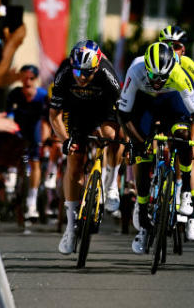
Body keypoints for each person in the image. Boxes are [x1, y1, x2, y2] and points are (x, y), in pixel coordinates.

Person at [118, 41, 194, 254]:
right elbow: (123, 115)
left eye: (162, 77)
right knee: (142, 154)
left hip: (171, 101)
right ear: (147, 69)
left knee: (183, 136)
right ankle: (141, 210)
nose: (158, 81)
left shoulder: (178, 74)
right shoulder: (136, 70)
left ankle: (186, 189)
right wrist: (140, 143)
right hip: (144, 101)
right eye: (154, 76)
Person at [48, 40, 123, 255]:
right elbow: (54, 116)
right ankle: (71, 228)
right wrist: (64, 141)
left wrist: (124, 139)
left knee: (111, 135)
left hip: (103, 108)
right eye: (78, 71)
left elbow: (124, 112)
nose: (82, 77)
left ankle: (111, 181)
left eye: (87, 73)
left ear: (97, 68)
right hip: (77, 110)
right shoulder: (64, 74)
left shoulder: (107, 75)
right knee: (74, 162)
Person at [158, 24, 194, 241]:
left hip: (183, 115)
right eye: (166, 45)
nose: (170, 49)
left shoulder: (189, 67)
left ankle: (191, 213)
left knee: (190, 156)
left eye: (175, 46)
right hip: (159, 112)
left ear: (183, 49)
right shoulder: (153, 60)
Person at [7, 65, 50, 220]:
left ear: (36, 79)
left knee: (35, 162)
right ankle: (12, 179)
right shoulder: (14, 94)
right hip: (19, 129)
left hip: (35, 130)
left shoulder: (43, 96)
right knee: (13, 149)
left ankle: (31, 201)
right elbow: (9, 115)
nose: (28, 81)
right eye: (25, 78)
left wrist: (46, 138)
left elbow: (47, 120)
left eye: (31, 78)